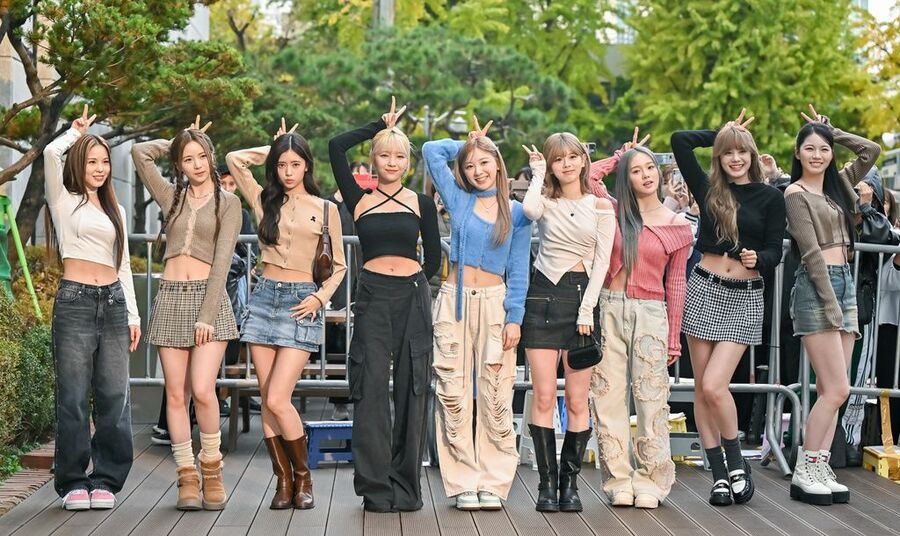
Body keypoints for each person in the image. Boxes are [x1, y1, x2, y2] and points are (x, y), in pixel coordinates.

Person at [225, 119, 347, 510]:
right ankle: (283, 481)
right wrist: (275, 146)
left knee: (279, 398)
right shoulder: (265, 200)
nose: (288, 172)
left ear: (307, 166)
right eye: (282, 165)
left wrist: (319, 298)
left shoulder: (326, 209)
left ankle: (304, 477)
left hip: (300, 303)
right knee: (267, 397)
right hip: (263, 300)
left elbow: (339, 266)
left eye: (295, 164)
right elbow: (233, 159)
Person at [328, 98, 441, 513]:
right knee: (371, 389)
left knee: (414, 388)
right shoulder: (359, 198)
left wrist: (414, 283)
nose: (392, 162)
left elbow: (434, 258)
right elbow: (336, 146)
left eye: (399, 156)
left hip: (412, 295)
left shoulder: (420, 203)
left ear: (408, 162)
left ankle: (407, 488)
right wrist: (378, 125)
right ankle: (376, 488)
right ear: (374, 159)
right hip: (373, 295)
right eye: (384, 155)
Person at [671, 109, 786, 507]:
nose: (735, 158)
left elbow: (775, 249)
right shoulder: (708, 190)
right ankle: (719, 474)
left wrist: (761, 259)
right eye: (727, 152)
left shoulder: (771, 197)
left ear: (752, 155)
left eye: (741, 151)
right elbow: (680, 140)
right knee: (702, 389)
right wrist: (721, 132)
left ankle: (736, 463)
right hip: (704, 288)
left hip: (744, 295)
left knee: (715, 385)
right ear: (718, 157)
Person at [132, 116, 242, 511]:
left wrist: (207, 315)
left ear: (211, 157)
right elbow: (139, 153)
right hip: (170, 298)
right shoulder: (171, 196)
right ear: (179, 164)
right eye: (187, 158)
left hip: (208, 302)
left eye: (201, 156)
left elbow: (223, 261)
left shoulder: (229, 203)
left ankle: (211, 471)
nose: (196, 164)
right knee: (175, 395)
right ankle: (186, 478)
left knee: (203, 390)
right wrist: (177, 140)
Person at [423, 117, 532, 511]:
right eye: (470, 166)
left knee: (496, 392)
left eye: (484, 162)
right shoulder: (459, 199)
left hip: (495, 304)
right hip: (454, 301)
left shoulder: (517, 212)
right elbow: (430, 151)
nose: (477, 170)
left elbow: (518, 269)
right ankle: (462, 481)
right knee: (452, 391)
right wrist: (468, 143)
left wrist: (515, 317)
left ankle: (494, 481)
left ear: (498, 165)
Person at [590, 134, 693, 510]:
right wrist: (619, 156)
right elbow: (588, 176)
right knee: (607, 397)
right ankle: (618, 478)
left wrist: (674, 336)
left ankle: (652, 478)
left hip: (651, 313)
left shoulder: (677, 225)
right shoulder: (613, 210)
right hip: (609, 307)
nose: (646, 174)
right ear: (626, 177)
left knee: (651, 399)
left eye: (650, 167)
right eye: (636, 170)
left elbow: (676, 283)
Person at [44, 105, 140, 510]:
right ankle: (72, 482)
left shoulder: (116, 210)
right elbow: (51, 153)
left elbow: (124, 264)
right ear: (79, 164)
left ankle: (106, 479)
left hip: (114, 302)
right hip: (75, 303)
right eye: (92, 161)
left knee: (114, 395)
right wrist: (75, 133)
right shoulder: (64, 201)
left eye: (104, 162)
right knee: (72, 396)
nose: (100, 169)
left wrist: (133, 314)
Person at [784, 105, 880, 505]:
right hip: (817, 287)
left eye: (823, 149)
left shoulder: (838, 184)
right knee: (837, 388)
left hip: (845, 283)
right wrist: (831, 303)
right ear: (798, 153)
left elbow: (871, 151)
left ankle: (820, 464)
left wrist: (832, 131)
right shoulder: (795, 194)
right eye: (809, 148)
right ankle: (805, 468)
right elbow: (810, 254)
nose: (817, 155)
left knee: (832, 389)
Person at [519, 134, 615, 513]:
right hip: (543, 297)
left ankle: (569, 485)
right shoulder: (545, 201)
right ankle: (546, 485)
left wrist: (586, 309)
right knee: (543, 396)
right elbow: (529, 211)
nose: (567, 164)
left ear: (583, 160)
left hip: (581, 300)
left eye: (573, 156)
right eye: (559, 159)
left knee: (577, 400)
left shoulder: (601, 206)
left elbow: (602, 262)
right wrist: (537, 172)